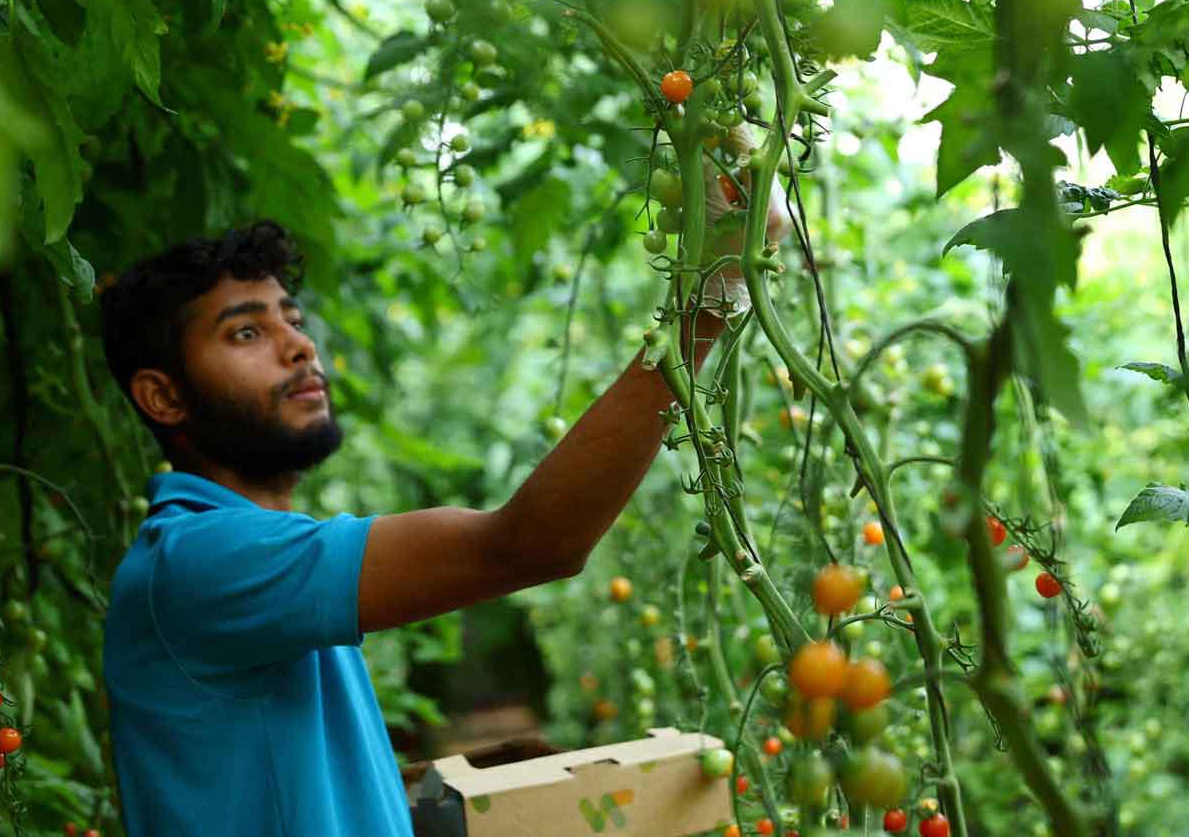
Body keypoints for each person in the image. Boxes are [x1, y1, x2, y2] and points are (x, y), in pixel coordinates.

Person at [98, 167, 788, 835]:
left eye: (292, 319)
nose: (300, 347)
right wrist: (706, 304)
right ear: (164, 396)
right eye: (247, 332)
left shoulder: (245, 560)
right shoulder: (202, 560)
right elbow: (527, 544)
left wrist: (473, 777)